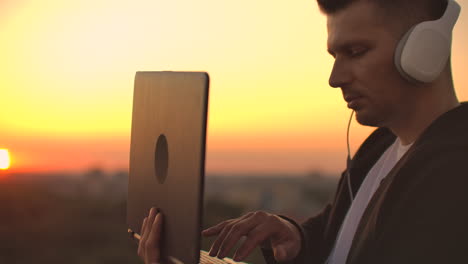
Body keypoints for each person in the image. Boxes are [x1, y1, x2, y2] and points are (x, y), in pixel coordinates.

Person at [138, 0, 468, 263]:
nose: (335, 78)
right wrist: (295, 239)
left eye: (355, 52)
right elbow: (337, 239)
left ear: (426, 51)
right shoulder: (380, 146)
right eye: (334, 55)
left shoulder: (453, 172)